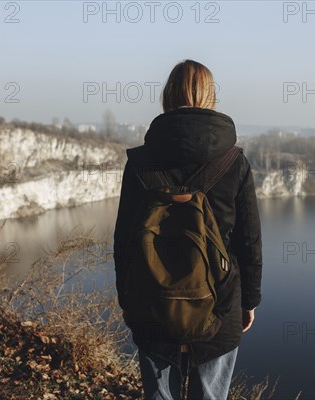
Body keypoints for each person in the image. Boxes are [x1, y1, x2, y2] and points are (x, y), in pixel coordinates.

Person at [113, 59, 263, 400]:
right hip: (219, 306)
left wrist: (127, 298)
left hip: (152, 303)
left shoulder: (139, 163)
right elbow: (249, 241)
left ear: (168, 95)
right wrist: (249, 301)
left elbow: (123, 241)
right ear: (210, 96)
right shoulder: (234, 161)